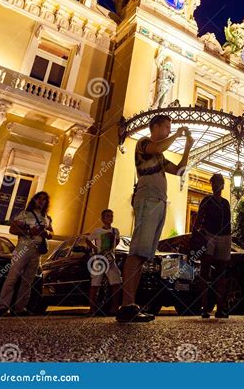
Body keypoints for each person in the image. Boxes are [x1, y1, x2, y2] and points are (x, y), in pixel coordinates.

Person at [116, 115, 194, 323]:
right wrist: (178, 135)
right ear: (155, 127)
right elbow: (158, 148)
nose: (169, 130)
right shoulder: (144, 143)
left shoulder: (158, 156)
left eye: (170, 128)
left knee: (143, 254)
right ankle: (126, 305)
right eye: (167, 127)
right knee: (137, 252)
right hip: (148, 198)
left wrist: (187, 146)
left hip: (159, 201)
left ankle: (131, 305)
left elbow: (179, 170)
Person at [0, 192, 53, 316]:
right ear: (34, 200)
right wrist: (28, 230)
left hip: (37, 251)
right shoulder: (24, 214)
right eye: (39, 199)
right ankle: (2, 307)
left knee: (27, 281)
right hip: (23, 248)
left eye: (44, 199)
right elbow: (12, 229)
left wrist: (46, 234)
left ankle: (20, 308)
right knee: (12, 278)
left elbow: (51, 233)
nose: (41, 201)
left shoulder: (47, 217)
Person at [195, 173, 231, 319]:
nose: (216, 185)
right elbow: (198, 219)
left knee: (221, 274)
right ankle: (204, 308)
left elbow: (228, 222)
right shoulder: (206, 200)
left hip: (224, 237)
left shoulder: (225, 203)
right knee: (205, 270)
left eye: (218, 183)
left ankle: (220, 308)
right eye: (213, 183)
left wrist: (229, 238)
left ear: (222, 185)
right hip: (209, 235)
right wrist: (196, 235)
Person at [86, 209, 122, 316]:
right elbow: (88, 240)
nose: (110, 218)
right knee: (95, 284)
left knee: (116, 282)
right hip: (99, 260)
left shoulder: (115, 231)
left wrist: (113, 249)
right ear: (102, 218)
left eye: (111, 216)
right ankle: (92, 308)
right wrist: (95, 248)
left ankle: (115, 307)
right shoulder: (97, 231)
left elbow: (117, 240)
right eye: (107, 216)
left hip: (111, 260)